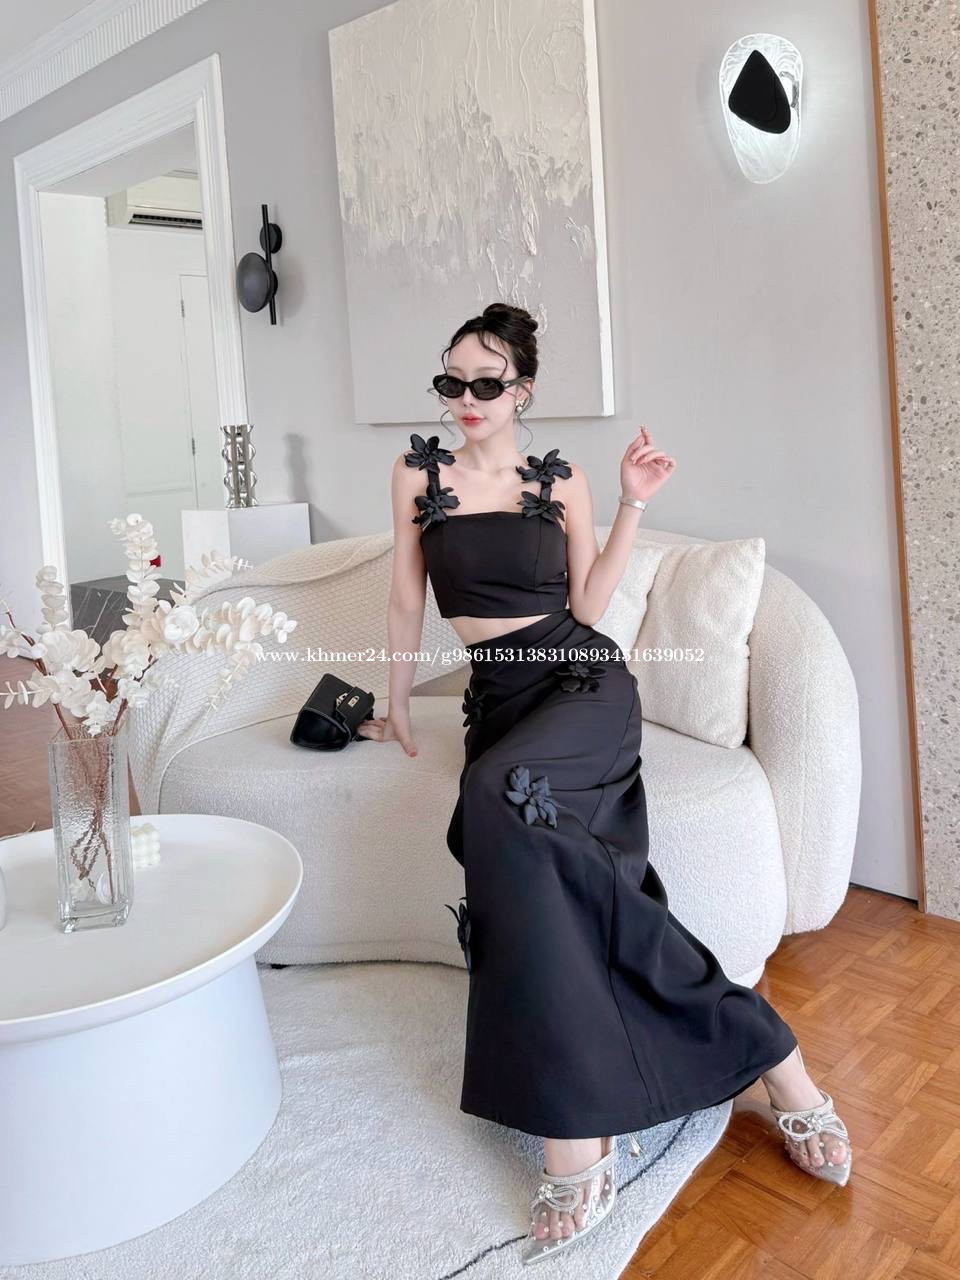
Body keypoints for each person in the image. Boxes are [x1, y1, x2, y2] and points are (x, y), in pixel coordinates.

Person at [357, 302, 852, 1265]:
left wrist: (631, 501)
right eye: (451, 382)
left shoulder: (563, 480)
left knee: (499, 801)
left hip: (582, 683)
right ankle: (768, 1053)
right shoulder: (417, 474)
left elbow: (587, 605)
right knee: (524, 840)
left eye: (487, 383)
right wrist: (398, 702)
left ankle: (574, 1138)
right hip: (499, 702)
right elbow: (405, 594)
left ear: (523, 390)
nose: (466, 399)